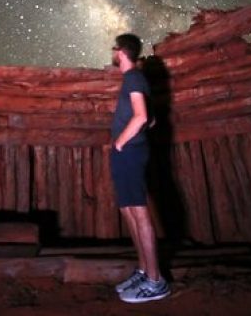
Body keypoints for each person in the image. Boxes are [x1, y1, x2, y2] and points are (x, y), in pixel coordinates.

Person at [109, 33, 170, 303]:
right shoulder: (133, 79)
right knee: (129, 210)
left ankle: (156, 281)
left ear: (121, 51)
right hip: (128, 153)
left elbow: (142, 116)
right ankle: (144, 271)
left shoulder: (133, 76)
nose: (112, 52)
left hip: (130, 152)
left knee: (139, 213)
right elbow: (152, 120)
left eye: (114, 49)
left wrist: (121, 143)